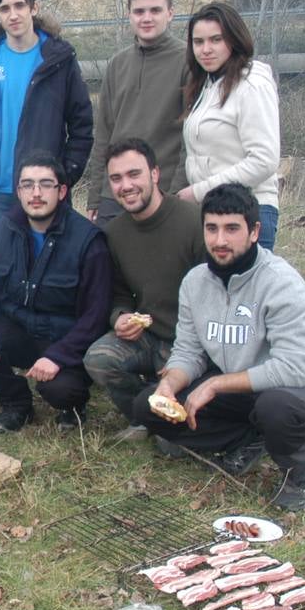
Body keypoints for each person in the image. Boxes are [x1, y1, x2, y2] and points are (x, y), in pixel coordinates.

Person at [133, 183, 305, 511]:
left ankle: (303, 474)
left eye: (232, 229)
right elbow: (189, 350)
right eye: (212, 228)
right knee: (146, 406)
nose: (220, 240)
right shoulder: (195, 282)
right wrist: (168, 384)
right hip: (242, 387)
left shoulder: (282, 284)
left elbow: (294, 367)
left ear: (254, 231)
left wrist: (215, 385)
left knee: (276, 408)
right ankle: (249, 439)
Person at [0, 154, 112, 432]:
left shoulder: (88, 241)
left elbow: (96, 316)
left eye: (46, 184)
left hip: (64, 338)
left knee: (61, 391)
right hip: (19, 329)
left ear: (62, 191)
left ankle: (73, 406)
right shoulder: (4, 231)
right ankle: (16, 403)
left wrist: (58, 357)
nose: (36, 193)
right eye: (28, 185)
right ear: (18, 191)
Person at [0, 0, 94, 255]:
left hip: (41, 190)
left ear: (34, 8)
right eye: (5, 8)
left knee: (44, 272)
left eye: (19, 5)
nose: (13, 14)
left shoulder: (58, 60)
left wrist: (63, 176)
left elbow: (82, 126)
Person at [82, 139, 204, 440]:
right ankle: (143, 416)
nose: (126, 185)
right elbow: (119, 293)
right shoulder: (115, 233)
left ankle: (168, 418)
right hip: (149, 337)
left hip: (192, 346)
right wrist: (120, 316)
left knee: (174, 446)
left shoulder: (193, 222)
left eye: (134, 174)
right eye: (116, 179)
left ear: (154, 174)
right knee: (98, 358)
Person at [178, 2, 281, 249]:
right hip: (214, 211)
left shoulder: (252, 85)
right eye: (198, 42)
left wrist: (198, 191)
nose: (206, 49)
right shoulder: (208, 84)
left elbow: (264, 159)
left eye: (216, 40)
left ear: (234, 39)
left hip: (249, 211)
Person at [86, 0, 188, 226]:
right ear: (129, 15)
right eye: (139, 11)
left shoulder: (189, 62)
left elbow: (191, 139)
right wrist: (95, 196)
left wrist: (175, 195)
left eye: (155, 10)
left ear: (170, 13)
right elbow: (104, 135)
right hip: (114, 195)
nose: (146, 18)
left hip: (161, 194)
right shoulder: (117, 64)